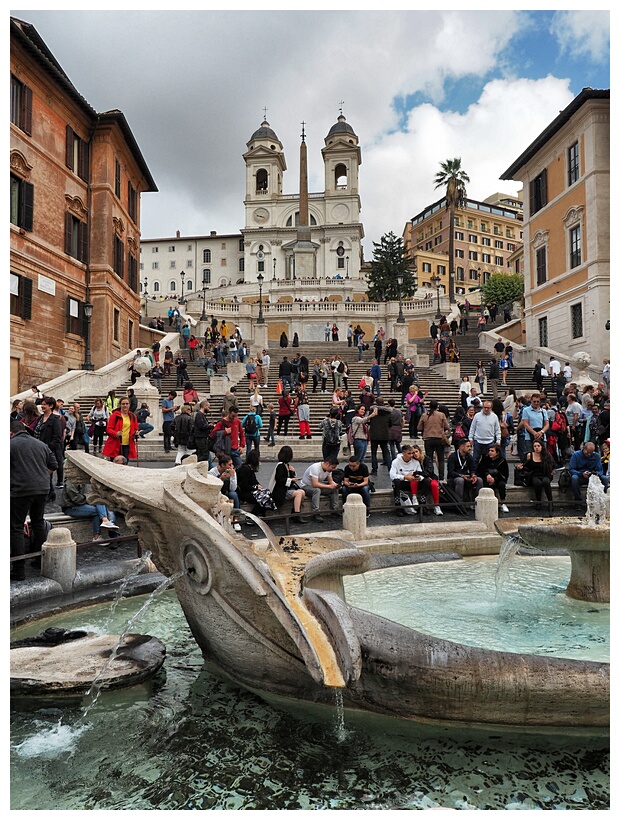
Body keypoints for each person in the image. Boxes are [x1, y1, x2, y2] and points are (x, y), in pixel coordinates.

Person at [10, 420, 58, 581]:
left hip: (21, 490)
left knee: (16, 527)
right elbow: (54, 465)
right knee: (38, 522)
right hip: (42, 489)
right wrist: (42, 476)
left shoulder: (10, 445)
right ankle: (39, 560)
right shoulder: (41, 444)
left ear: (11, 432)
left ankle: (18, 570)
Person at [32, 396, 64, 496]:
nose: (42, 406)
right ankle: (48, 492)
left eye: (45, 404)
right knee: (42, 472)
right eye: (42, 404)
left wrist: (47, 448)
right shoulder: (40, 418)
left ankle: (48, 493)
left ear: (51, 406)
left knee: (47, 473)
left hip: (49, 451)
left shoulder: (55, 420)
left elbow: (57, 437)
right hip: (38, 449)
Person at [270, 446, 308, 524]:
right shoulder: (280, 466)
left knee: (302, 492)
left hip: (287, 489)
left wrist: (293, 472)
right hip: (281, 491)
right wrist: (290, 480)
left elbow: (289, 477)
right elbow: (279, 479)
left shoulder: (286, 465)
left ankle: (295, 511)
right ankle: (296, 514)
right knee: (299, 493)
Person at [299, 456, 340, 522]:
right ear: (327, 464)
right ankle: (316, 512)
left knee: (334, 490)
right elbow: (315, 484)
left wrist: (336, 485)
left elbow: (331, 481)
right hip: (306, 486)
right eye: (332, 467)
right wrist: (329, 486)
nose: (333, 469)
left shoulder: (328, 470)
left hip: (318, 485)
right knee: (317, 490)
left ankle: (335, 509)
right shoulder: (315, 468)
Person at [516, 440, 555, 510]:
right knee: (538, 483)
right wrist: (519, 467)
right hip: (533, 475)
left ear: (542, 447)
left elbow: (553, 465)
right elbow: (523, 465)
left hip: (545, 474)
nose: (537, 448)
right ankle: (538, 502)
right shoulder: (529, 455)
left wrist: (552, 471)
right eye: (535, 446)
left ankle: (550, 502)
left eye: (538, 446)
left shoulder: (547, 455)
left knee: (546, 482)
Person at [417, 399, 450, 480]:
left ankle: (430, 474)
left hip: (428, 439)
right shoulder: (441, 415)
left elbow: (419, 427)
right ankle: (441, 476)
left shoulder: (424, 415)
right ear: (437, 406)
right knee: (441, 459)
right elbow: (447, 426)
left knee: (429, 458)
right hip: (439, 438)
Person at [237, 451, 275, 515]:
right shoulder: (245, 469)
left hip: (250, 490)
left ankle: (261, 513)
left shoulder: (249, 468)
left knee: (268, 494)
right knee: (264, 499)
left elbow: (254, 480)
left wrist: (258, 485)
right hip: (244, 492)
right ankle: (253, 515)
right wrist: (256, 488)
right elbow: (244, 486)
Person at [446, 439, 483, 506]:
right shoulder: (452, 457)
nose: (470, 448)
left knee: (479, 480)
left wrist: (473, 475)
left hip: (466, 477)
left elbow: (473, 468)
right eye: (468, 446)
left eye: (471, 446)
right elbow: (451, 472)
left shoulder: (469, 457)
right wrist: (462, 476)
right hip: (455, 478)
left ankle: (476, 502)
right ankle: (459, 503)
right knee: (460, 480)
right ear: (461, 447)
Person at [102, 397, 139, 462]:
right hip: (116, 443)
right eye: (123, 404)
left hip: (128, 444)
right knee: (115, 463)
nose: (125, 405)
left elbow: (136, 428)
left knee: (125, 462)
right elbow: (108, 429)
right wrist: (116, 433)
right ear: (120, 405)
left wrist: (136, 433)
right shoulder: (115, 415)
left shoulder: (133, 416)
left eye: (127, 404)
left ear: (129, 405)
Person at [476, 444, 510, 513]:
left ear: (497, 453)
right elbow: (480, 469)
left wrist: (495, 479)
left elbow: (504, 475)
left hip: (498, 479)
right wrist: (487, 475)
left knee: (502, 485)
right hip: (486, 478)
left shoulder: (502, 461)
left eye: (492, 451)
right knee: (484, 483)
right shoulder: (485, 459)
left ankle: (503, 503)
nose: (490, 452)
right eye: (489, 451)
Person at [468, 399, 501, 468]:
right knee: (475, 459)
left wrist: (498, 440)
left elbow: (497, 429)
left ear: (491, 408)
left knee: (489, 460)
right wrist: (470, 438)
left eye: (488, 408)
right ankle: (474, 473)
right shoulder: (477, 416)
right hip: (478, 441)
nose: (486, 409)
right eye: (484, 407)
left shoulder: (494, 417)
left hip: (490, 441)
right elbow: (472, 428)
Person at [193, 399, 213, 464]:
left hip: (202, 437)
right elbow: (202, 426)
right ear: (204, 406)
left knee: (202, 453)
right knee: (204, 454)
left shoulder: (201, 415)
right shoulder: (199, 415)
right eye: (208, 407)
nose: (209, 409)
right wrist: (210, 426)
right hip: (200, 437)